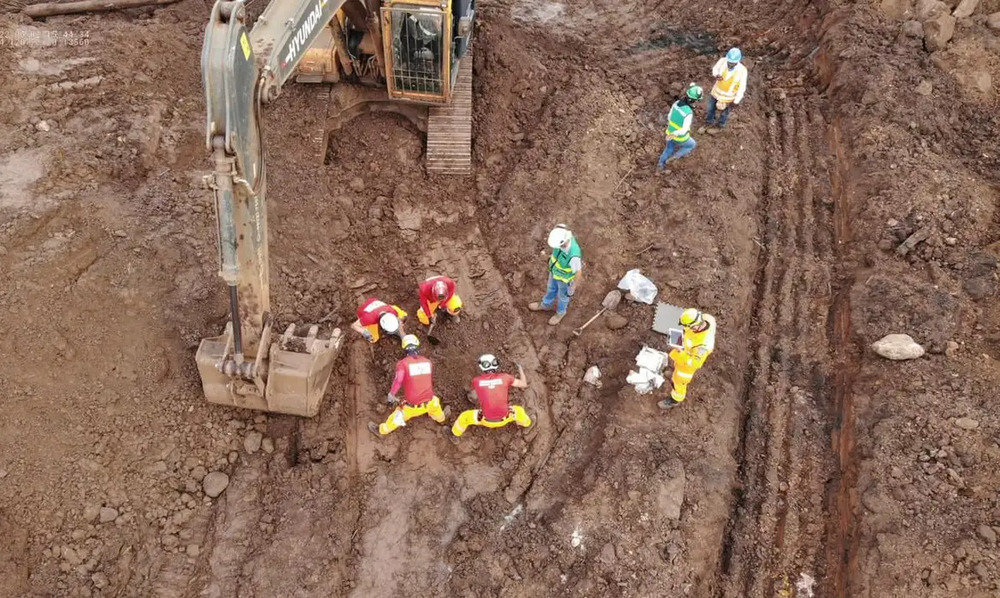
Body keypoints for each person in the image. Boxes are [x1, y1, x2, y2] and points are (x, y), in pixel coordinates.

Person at [368, 335, 449, 436]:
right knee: (436, 406)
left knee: (397, 416)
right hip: (430, 401)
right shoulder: (428, 362)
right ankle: (441, 420)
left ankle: (381, 431)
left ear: (404, 348)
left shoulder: (403, 364)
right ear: (417, 346)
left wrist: (391, 395)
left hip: (413, 406)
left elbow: (398, 380)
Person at [451, 354, 532, 439]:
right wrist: (520, 369)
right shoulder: (505, 377)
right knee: (519, 411)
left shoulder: (476, 381)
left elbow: (471, 390)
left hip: (485, 420)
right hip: (505, 417)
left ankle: (454, 435)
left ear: (481, 367)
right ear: (496, 364)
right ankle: (527, 423)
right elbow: (523, 384)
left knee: (464, 417)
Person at [659, 308, 717, 410]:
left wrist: (680, 350)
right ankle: (674, 375)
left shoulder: (702, 347)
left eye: (689, 327)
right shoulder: (706, 318)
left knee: (679, 381)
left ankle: (675, 400)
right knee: (676, 372)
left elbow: (695, 363)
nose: (686, 329)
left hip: (687, 365)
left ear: (695, 326)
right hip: (686, 353)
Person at [528, 224, 583, 326]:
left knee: (563, 297)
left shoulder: (573, 255)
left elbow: (578, 272)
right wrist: (548, 258)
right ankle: (546, 304)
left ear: (563, 243)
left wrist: (573, 287)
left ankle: (560, 313)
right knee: (551, 289)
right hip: (554, 273)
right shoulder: (561, 234)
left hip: (565, 280)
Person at [657, 83, 704, 171]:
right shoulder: (688, 112)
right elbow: (684, 130)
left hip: (670, 132)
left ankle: (660, 165)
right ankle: (675, 157)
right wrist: (676, 134)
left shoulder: (676, 103)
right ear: (694, 100)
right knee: (691, 145)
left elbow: (669, 117)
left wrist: (673, 132)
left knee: (668, 149)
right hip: (680, 137)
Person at [701, 48, 748, 134]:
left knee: (724, 113)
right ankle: (709, 122)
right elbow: (715, 69)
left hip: (729, 97)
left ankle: (720, 126)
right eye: (729, 62)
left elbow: (742, 87)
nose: (730, 64)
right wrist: (716, 75)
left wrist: (736, 101)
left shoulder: (742, 71)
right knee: (710, 108)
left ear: (737, 61)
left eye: (732, 63)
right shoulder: (722, 61)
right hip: (716, 92)